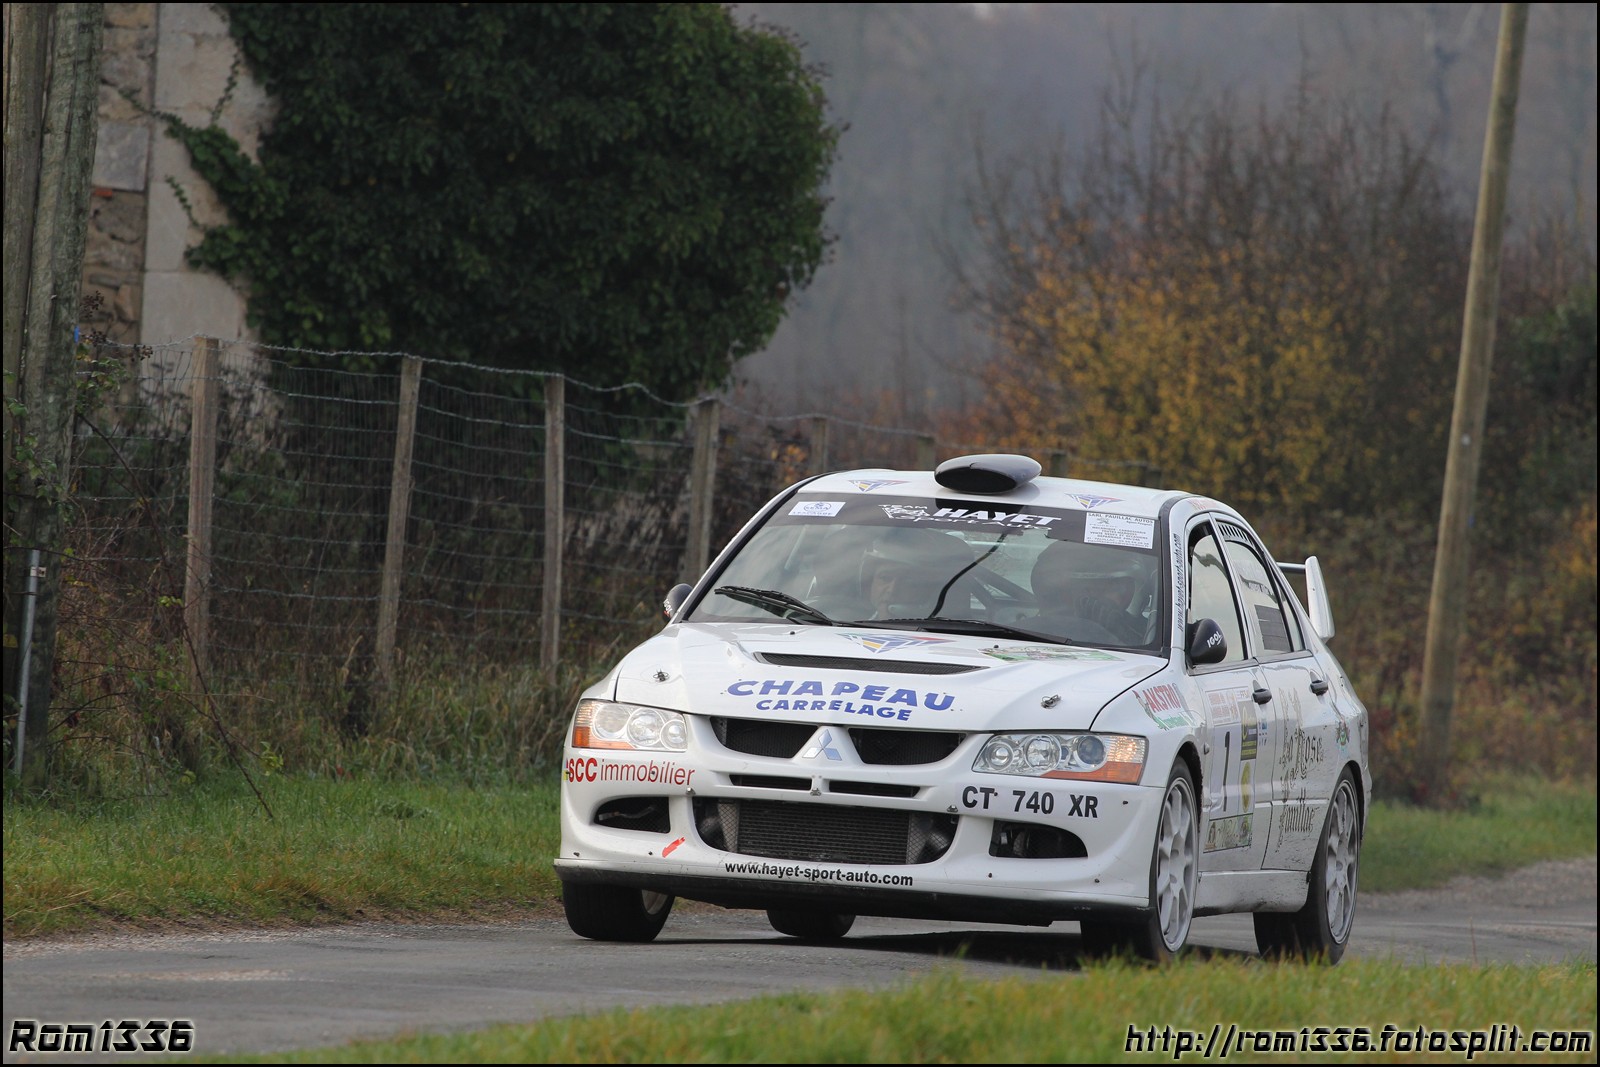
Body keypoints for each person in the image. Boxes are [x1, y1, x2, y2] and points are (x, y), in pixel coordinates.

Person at [1029, 539, 1152, 644]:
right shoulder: (1025, 631)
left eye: (1125, 584)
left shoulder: (1149, 635)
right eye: (1113, 586)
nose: (1123, 595)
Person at [860, 527, 974, 619]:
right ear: (871, 583)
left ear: (926, 589)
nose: (892, 590)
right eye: (885, 578)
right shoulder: (847, 627)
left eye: (907, 582)